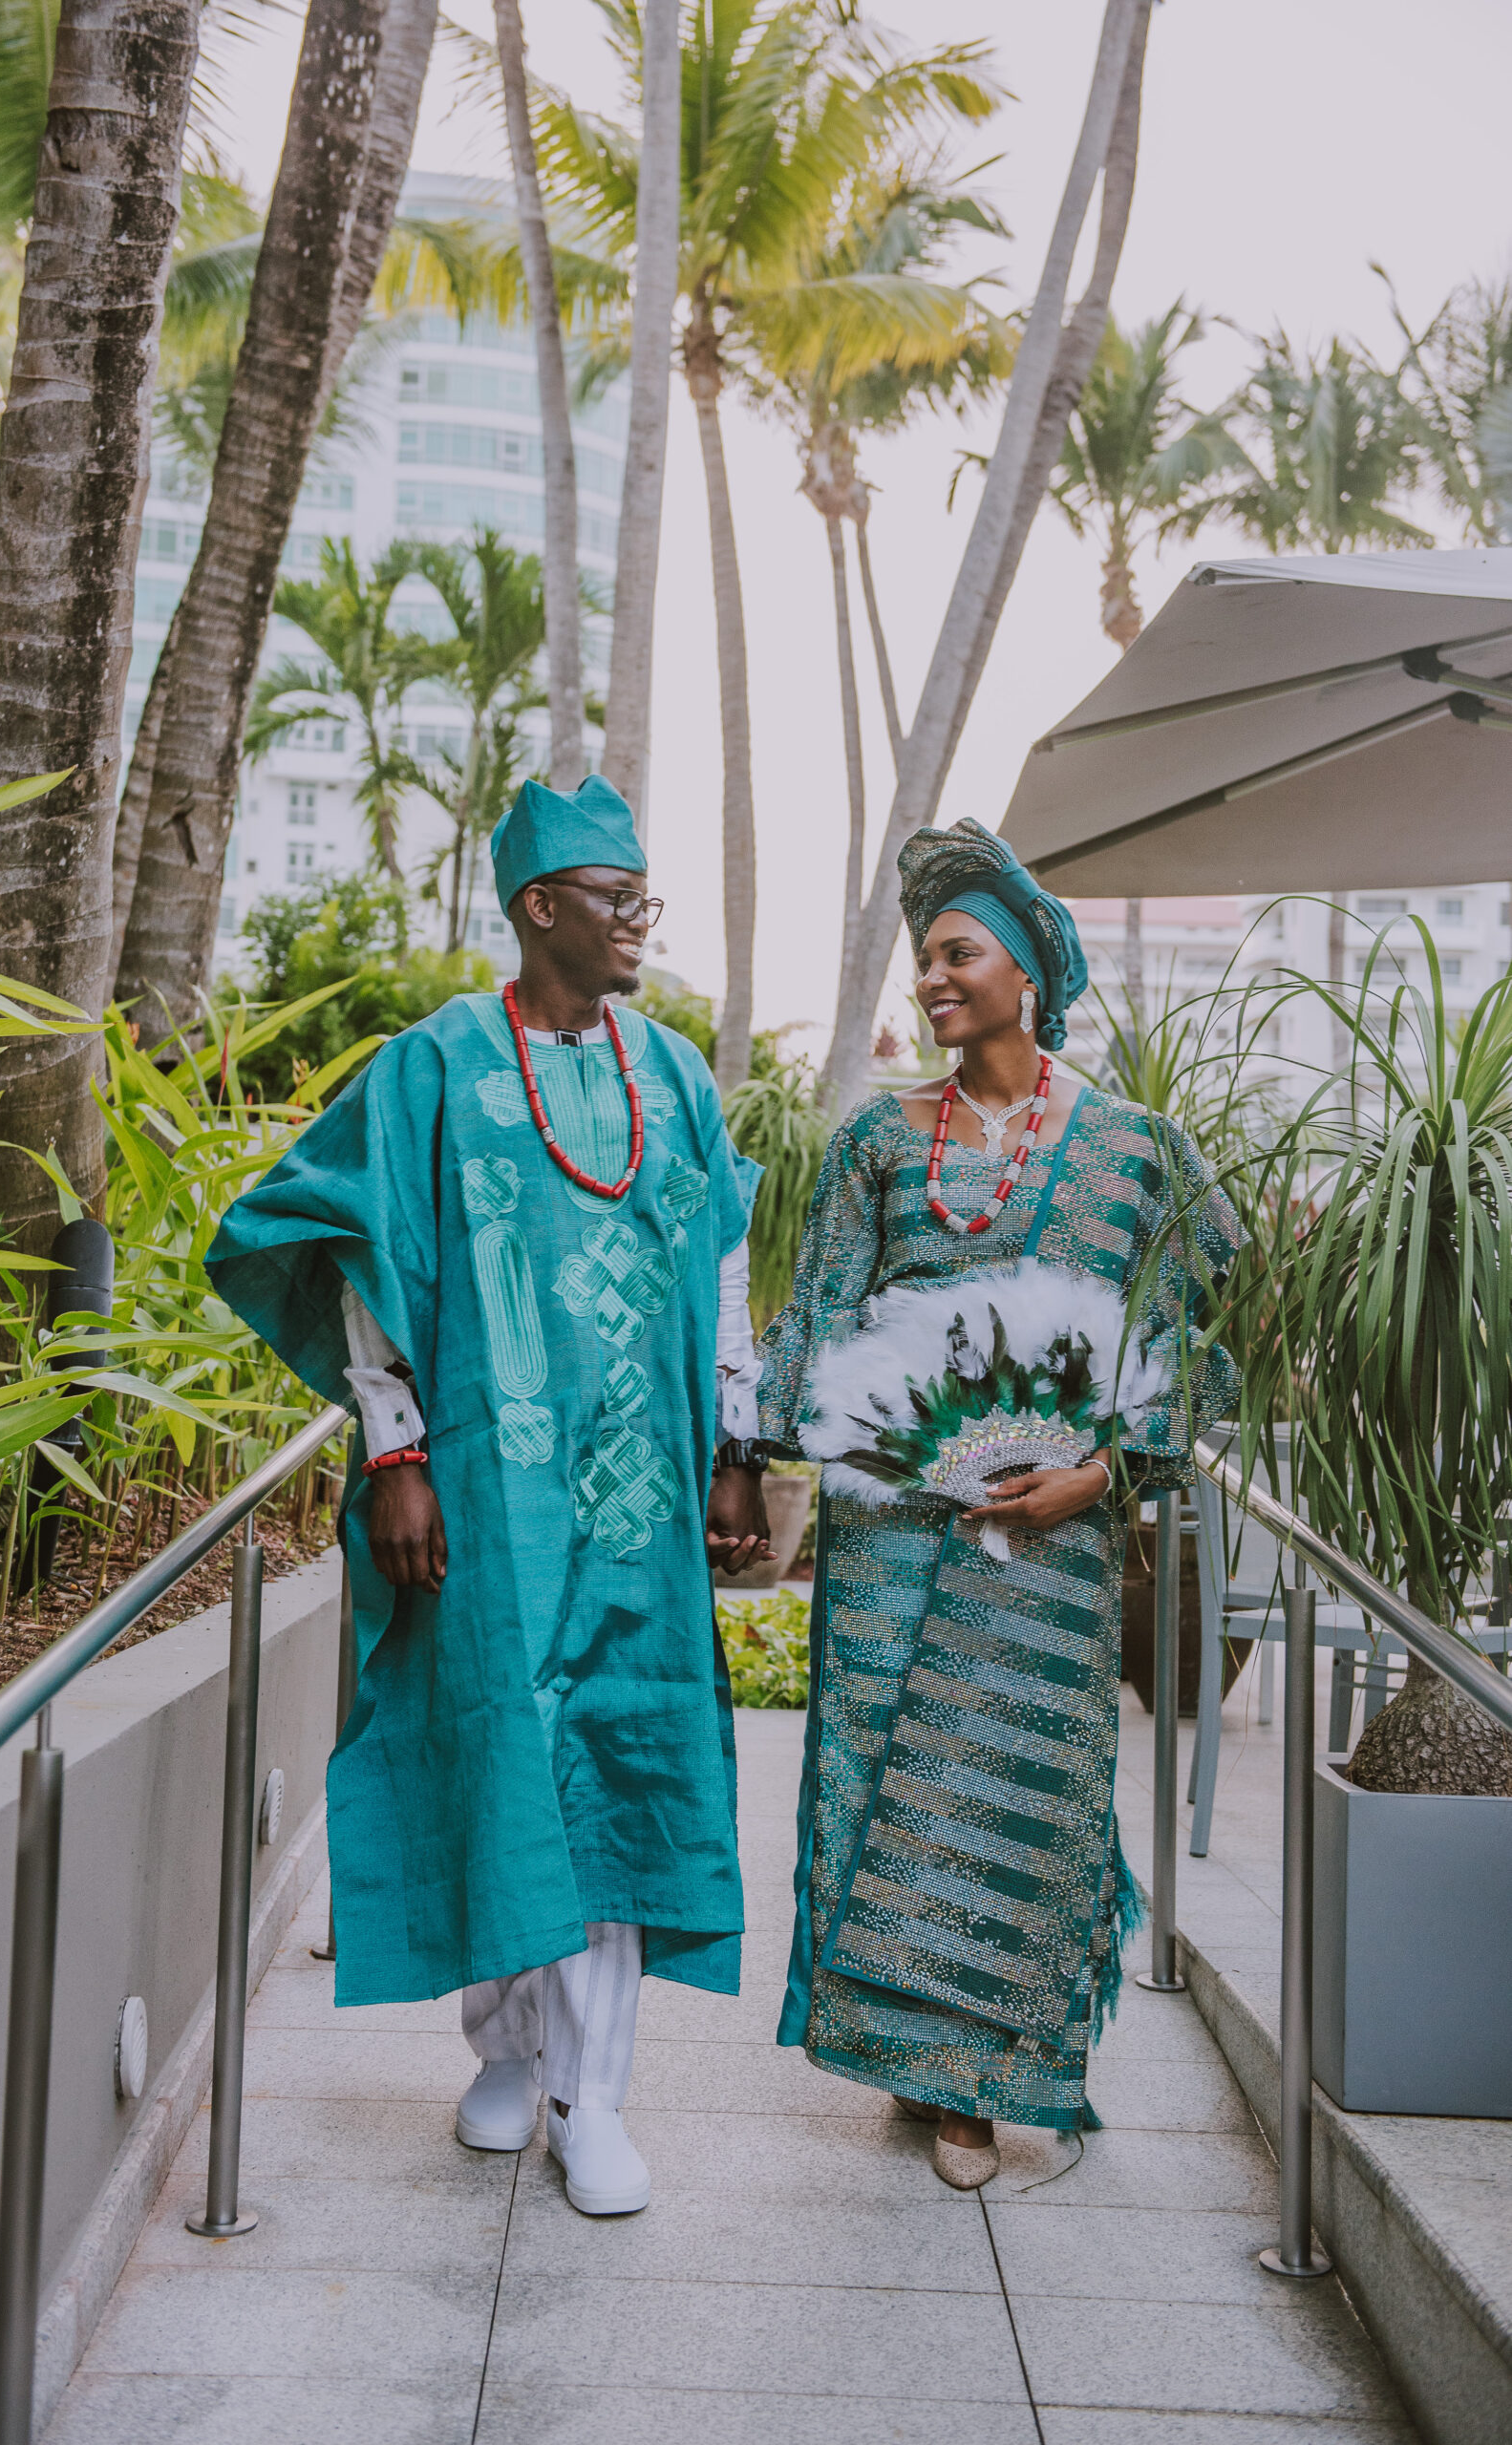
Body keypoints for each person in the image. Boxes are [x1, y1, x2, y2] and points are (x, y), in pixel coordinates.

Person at [206, 775, 774, 2218]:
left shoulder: (677, 1075)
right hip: (485, 1484)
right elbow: (352, 1251)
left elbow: (717, 1268)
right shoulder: (435, 1066)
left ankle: (593, 2096)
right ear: (539, 909)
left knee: (618, 1763)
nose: (640, 922)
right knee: (498, 1753)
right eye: (614, 899)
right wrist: (395, 1450)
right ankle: (505, 2049)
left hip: (641, 1491)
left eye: (645, 897)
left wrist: (737, 1447)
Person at [758, 816, 1240, 2189]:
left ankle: (981, 2079)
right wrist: (765, 1455)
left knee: (1005, 1795)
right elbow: (816, 1326)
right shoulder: (873, 1140)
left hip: (1053, 1546)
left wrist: (1100, 1471)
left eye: (957, 952)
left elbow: (1205, 1340)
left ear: (1026, 970)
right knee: (878, 1789)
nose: (931, 978)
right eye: (922, 960)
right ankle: (922, 2068)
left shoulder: (1140, 1150)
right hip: (894, 1540)